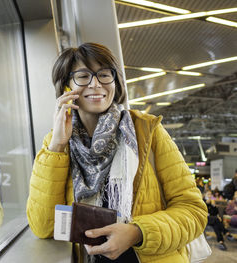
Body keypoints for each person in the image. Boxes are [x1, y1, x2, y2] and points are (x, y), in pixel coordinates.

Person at [26, 43, 208, 262]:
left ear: (115, 82)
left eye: (104, 74)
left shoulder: (147, 132)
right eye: (83, 76)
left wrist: (138, 232)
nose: (95, 84)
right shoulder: (55, 144)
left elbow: (193, 211)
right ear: (66, 86)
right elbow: (42, 226)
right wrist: (56, 147)